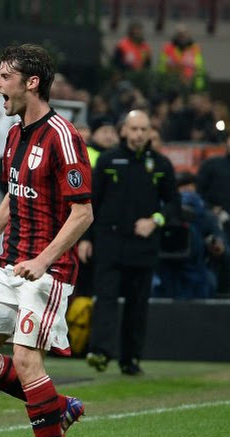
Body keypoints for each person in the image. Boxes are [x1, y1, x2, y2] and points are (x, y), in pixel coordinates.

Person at [0, 44, 93, 437]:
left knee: (25, 357)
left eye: (3, 76)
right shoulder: (16, 134)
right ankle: (59, 408)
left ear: (31, 82)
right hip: (8, 263)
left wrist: (44, 259)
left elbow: (83, 213)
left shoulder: (64, 136)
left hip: (47, 270)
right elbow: (14, 198)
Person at [80, 110, 179, 375]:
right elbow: (92, 202)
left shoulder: (160, 164)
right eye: (134, 129)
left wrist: (155, 221)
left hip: (143, 244)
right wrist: (86, 239)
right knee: (106, 299)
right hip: (109, 240)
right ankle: (100, 352)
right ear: (124, 130)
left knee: (138, 304)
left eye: (143, 130)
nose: (138, 135)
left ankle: (130, 359)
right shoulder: (108, 161)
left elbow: (173, 204)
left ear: (150, 133)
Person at [197, 121, 230, 293]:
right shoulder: (212, 166)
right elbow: (198, 196)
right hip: (220, 231)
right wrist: (211, 210)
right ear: (227, 140)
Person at [158, 24, 206, 92]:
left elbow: (200, 67)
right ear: (176, 35)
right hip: (171, 83)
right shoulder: (167, 48)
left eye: (184, 33)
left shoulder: (195, 48)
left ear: (188, 34)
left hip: (190, 84)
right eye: (179, 33)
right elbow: (161, 66)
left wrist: (198, 85)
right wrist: (163, 82)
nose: (182, 35)